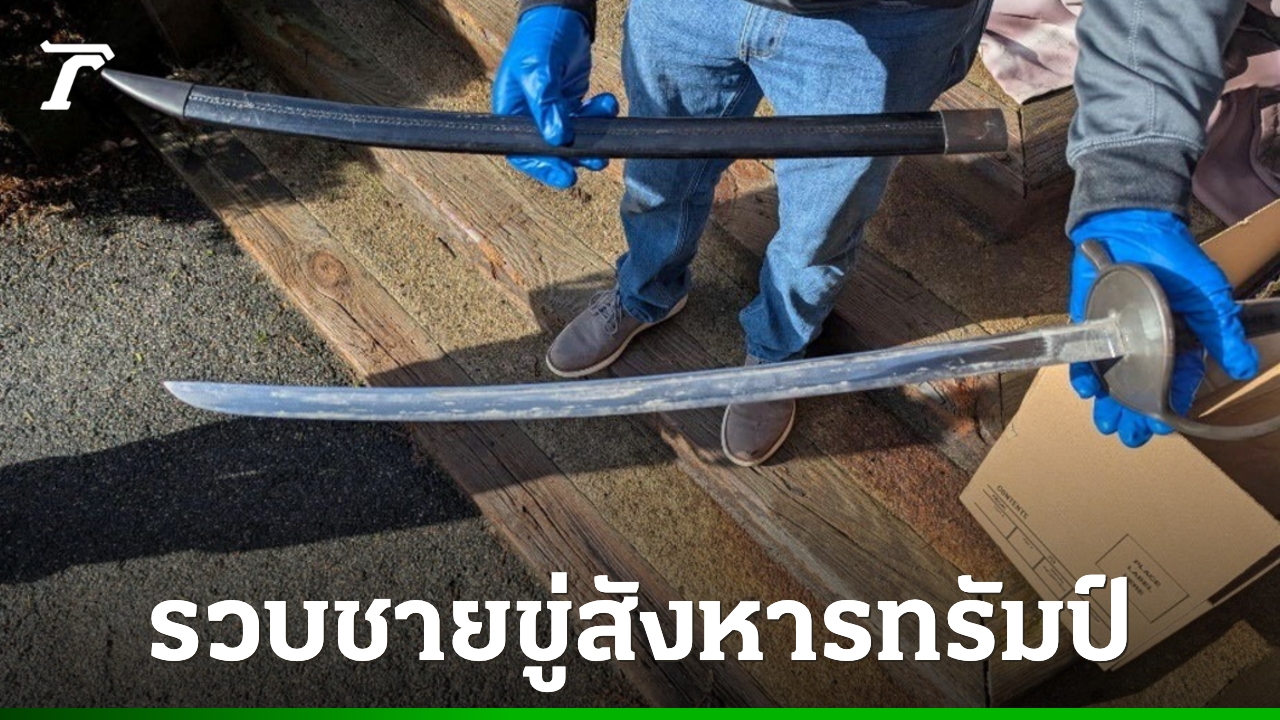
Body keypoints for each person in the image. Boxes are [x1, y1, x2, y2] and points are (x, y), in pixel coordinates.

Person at [492, 0, 1260, 465]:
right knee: (658, 178)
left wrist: (1131, 168)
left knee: (821, 226)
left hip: (889, 28)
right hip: (685, 11)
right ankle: (644, 290)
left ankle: (776, 356)